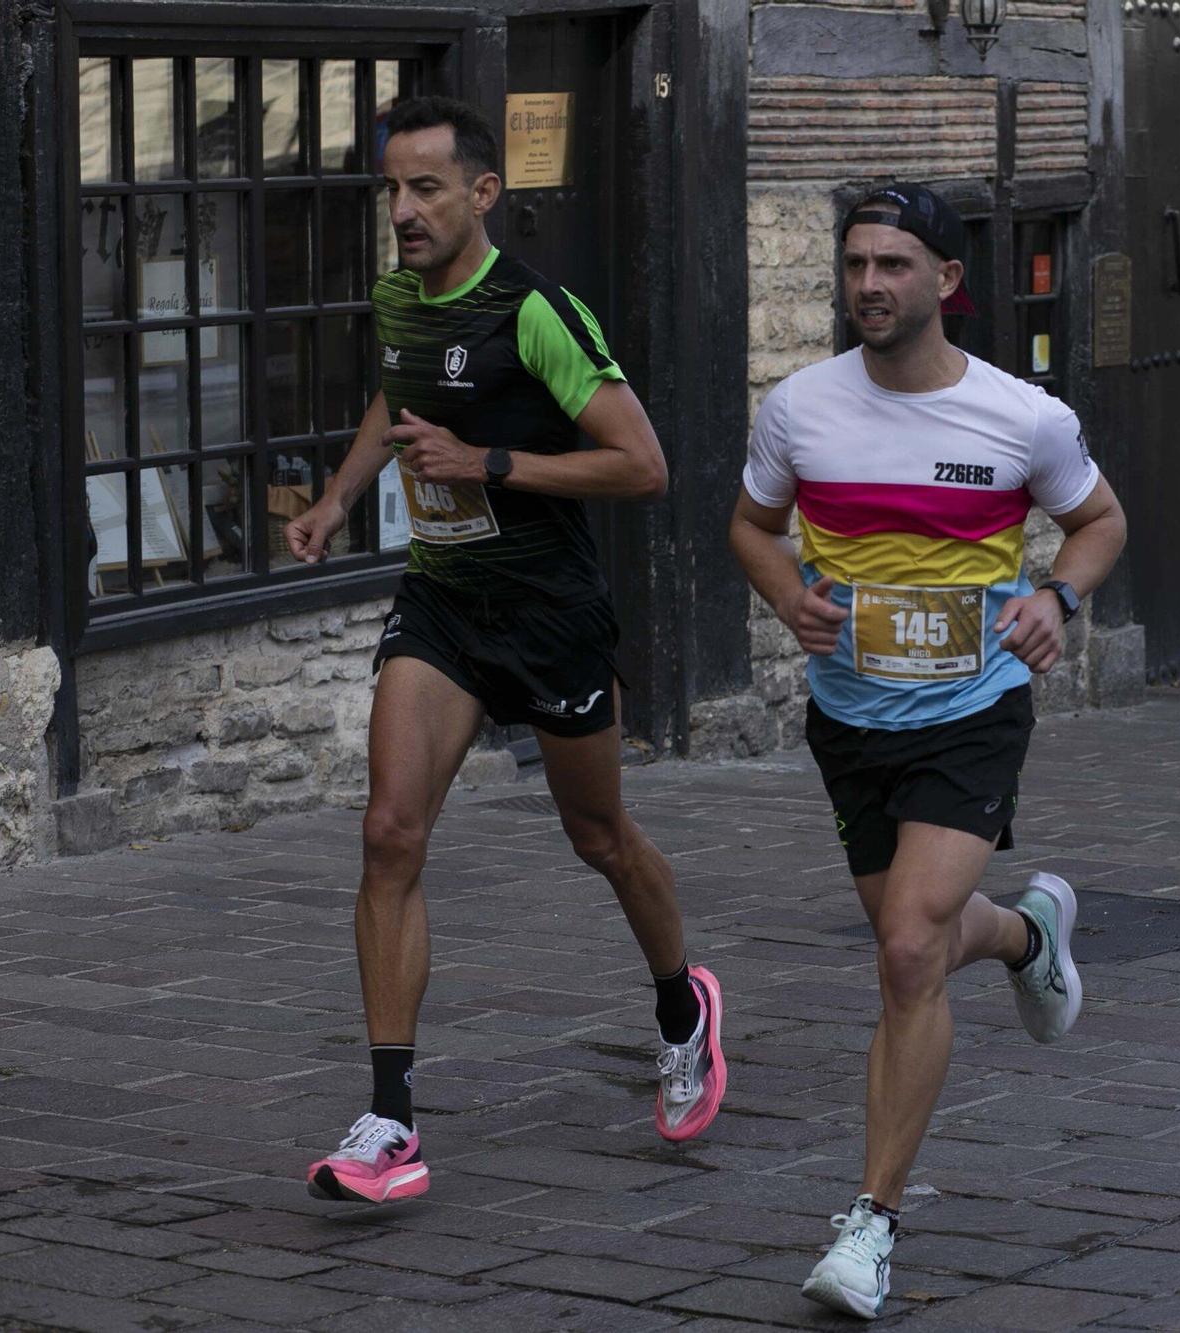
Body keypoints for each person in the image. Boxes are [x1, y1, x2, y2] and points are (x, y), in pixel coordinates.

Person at [283, 96, 724, 1204]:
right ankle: (389, 1118)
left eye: (425, 187)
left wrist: (490, 463)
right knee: (389, 832)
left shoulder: (536, 313)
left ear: (483, 192)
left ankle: (683, 1006)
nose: (402, 210)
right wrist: (340, 497)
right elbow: (400, 389)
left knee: (599, 835)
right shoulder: (399, 296)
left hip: (548, 614)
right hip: (442, 605)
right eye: (390, 188)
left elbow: (643, 465)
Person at [728, 183, 1127, 1320]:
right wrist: (788, 595)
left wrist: (1057, 594)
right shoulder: (798, 408)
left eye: (892, 265)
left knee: (905, 949)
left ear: (944, 282)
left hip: (973, 708)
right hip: (850, 718)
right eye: (854, 263)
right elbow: (750, 526)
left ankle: (870, 1222)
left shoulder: (1020, 419)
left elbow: (1101, 521)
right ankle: (1026, 932)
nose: (868, 284)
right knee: (925, 936)